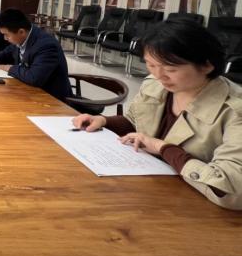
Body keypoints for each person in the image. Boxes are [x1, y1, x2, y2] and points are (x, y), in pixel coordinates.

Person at [72, 18, 242, 210]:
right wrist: (104, 121)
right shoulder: (156, 84)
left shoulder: (235, 110)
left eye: (170, 69)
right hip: (146, 192)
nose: (159, 75)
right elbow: (136, 122)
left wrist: (162, 147)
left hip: (193, 208)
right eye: (151, 65)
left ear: (207, 65)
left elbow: (232, 191)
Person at [0, 9, 71, 101]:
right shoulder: (22, 37)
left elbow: (34, 77)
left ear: (21, 32)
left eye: (6, 35)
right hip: (27, 92)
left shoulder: (46, 45)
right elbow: (9, 50)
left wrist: (8, 68)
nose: (5, 38)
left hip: (50, 99)